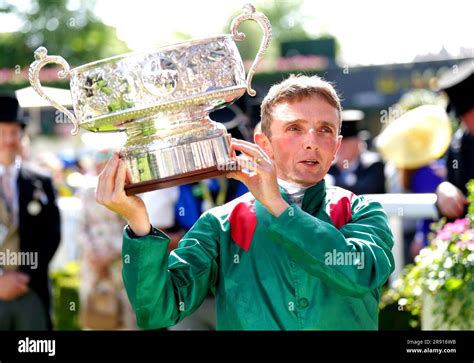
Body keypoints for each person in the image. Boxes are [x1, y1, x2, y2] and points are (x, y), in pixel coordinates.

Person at [96, 75, 395, 330]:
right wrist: (138, 226)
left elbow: (359, 273)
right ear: (263, 142)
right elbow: (157, 311)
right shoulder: (220, 224)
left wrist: (278, 207)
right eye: (295, 128)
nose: (311, 141)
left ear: (337, 146)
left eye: (325, 130)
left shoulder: (361, 211)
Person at [0, 94, 60, 330]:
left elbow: (52, 235)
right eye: (2, 132)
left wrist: (23, 276)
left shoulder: (40, 181)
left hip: (31, 287)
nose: (8, 140)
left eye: (14, 133)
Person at [76, 148, 136, 330]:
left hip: (120, 263)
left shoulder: (128, 191)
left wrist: (109, 256)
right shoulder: (86, 192)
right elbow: (80, 227)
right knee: (95, 313)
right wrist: (93, 255)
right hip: (92, 263)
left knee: (125, 316)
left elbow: (132, 227)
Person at [436, 61, 474, 220]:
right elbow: (453, 184)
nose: (468, 122)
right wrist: (443, 190)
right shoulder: (459, 144)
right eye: (463, 116)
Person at [327, 109, 386, 195]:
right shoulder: (329, 168)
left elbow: (365, 191)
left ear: (358, 142)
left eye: (345, 142)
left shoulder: (373, 165)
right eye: (337, 142)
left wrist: (331, 183)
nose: (340, 147)